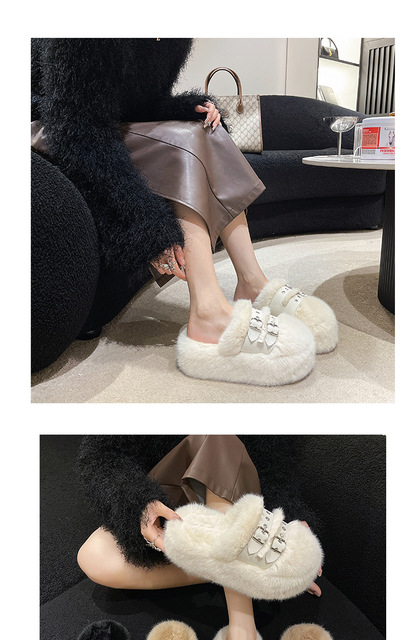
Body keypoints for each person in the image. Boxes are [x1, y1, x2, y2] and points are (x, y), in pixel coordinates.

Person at [31, 39, 336, 384]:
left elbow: (137, 102)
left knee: (205, 130)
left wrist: (187, 108)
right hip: (52, 123)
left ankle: (253, 283)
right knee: (185, 146)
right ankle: (207, 313)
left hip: (101, 121)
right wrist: (145, 222)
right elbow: (79, 128)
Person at [77, 435, 322, 640]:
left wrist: (288, 517)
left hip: (239, 496)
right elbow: (102, 457)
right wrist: (141, 503)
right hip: (171, 501)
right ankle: (256, 569)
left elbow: (275, 465)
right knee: (94, 557)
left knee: (218, 439)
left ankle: (243, 635)